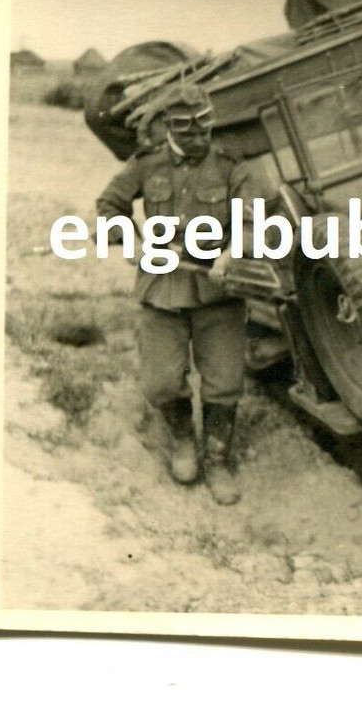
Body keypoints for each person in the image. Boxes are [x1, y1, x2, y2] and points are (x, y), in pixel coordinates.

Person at [96, 84, 254, 505]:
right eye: (186, 133)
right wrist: (128, 238)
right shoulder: (147, 164)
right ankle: (184, 442)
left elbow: (255, 217)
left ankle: (218, 460)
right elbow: (109, 206)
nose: (198, 140)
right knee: (161, 382)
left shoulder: (230, 165)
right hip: (161, 286)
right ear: (169, 128)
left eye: (203, 129)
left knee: (224, 382)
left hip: (217, 292)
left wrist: (232, 252)